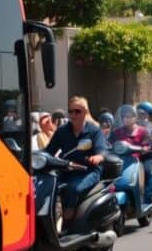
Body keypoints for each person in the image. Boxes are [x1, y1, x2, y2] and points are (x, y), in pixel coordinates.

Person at [46, 96, 108, 227]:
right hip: (67, 169)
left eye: (77, 111)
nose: (73, 115)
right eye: (71, 111)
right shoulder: (62, 131)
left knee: (73, 188)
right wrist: (36, 157)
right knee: (49, 186)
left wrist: (98, 157)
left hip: (88, 170)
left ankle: (69, 221)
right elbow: (49, 151)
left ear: (85, 112)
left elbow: (102, 150)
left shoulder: (94, 130)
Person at [109, 104, 152, 198]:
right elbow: (109, 144)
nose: (126, 119)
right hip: (120, 160)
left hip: (137, 160)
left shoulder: (143, 131)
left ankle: (146, 195)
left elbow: (147, 146)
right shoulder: (117, 132)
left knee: (147, 171)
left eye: (129, 117)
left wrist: (142, 149)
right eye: (124, 117)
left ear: (135, 117)